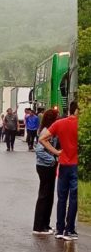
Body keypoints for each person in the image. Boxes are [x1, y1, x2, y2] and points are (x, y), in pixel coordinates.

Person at [39, 101, 79, 241]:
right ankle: (70, 230)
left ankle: (59, 229)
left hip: (63, 165)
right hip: (76, 165)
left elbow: (42, 139)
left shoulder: (60, 123)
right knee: (73, 199)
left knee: (62, 198)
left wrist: (56, 152)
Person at [32, 109, 60, 235]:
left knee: (49, 196)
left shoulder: (49, 130)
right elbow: (39, 150)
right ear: (52, 119)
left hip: (48, 166)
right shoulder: (45, 132)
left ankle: (46, 224)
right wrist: (53, 159)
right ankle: (38, 227)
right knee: (44, 196)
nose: (59, 118)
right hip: (45, 166)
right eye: (57, 116)